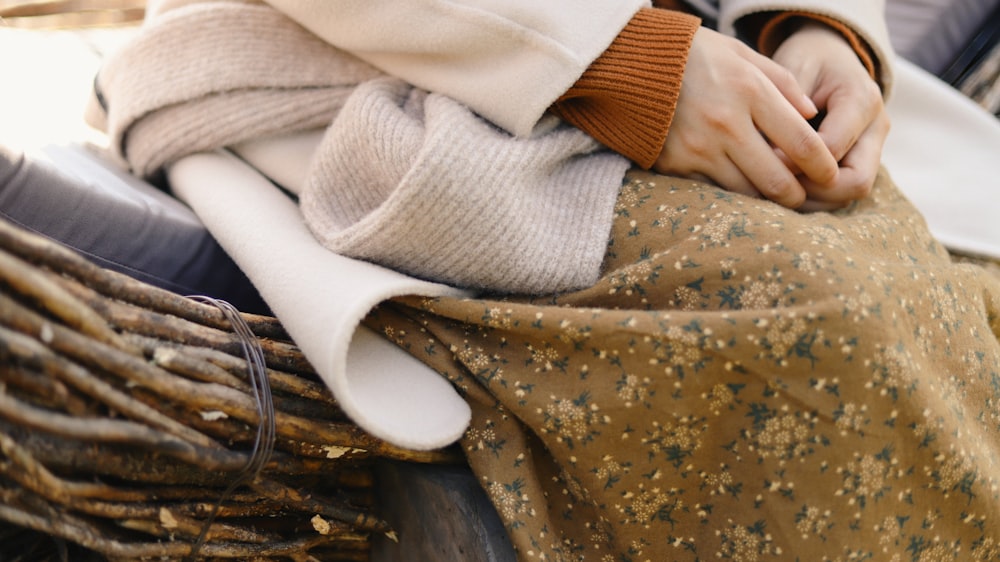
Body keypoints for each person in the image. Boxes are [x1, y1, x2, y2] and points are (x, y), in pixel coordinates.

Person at [83, 1, 1000, 560]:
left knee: (942, 286)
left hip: (721, 58)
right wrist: (616, 62)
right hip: (379, 59)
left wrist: (816, 27)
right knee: (821, 317)